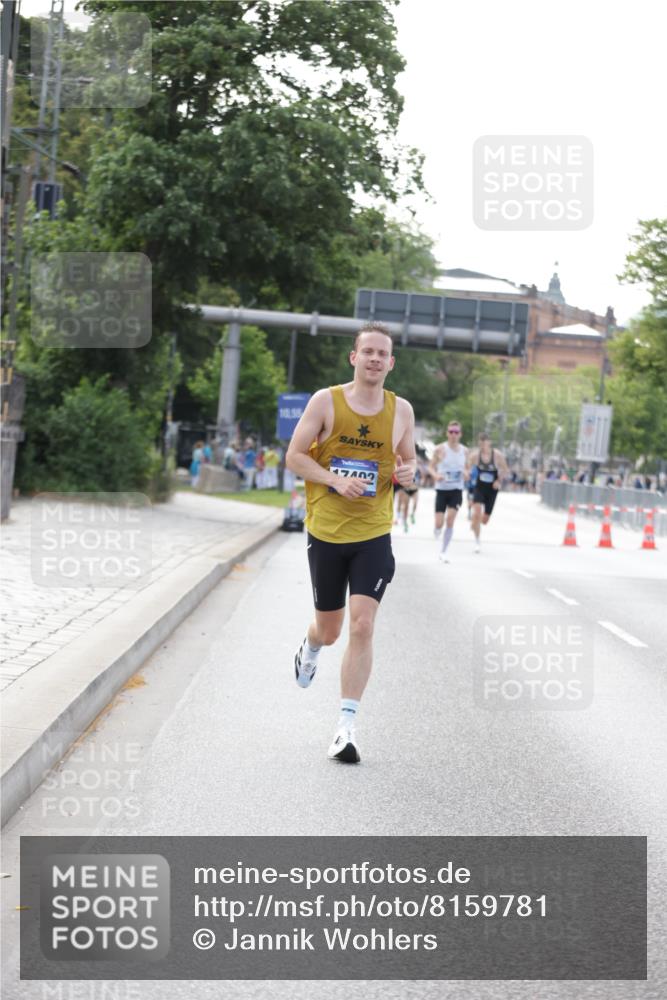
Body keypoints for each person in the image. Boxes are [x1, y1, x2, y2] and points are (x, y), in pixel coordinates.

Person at [285, 322, 416, 764]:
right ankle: (312, 646)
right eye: (369, 352)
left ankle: (345, 728)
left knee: (362, 625)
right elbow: (295, 456)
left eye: (384, 354)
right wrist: (334, 480)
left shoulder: (401, 411)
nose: (376, 359)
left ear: (391, 363)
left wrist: (410, 474)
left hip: (374, 532)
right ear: (354, 358)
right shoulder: (327, 401)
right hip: (326, 530)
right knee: (331, 627)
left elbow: (409, 461)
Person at [429, 420, 467, 562]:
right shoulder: (440, 449)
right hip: (442, 490)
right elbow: (430, 467)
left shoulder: (465, 451)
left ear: (460, 434)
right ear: (447, 433)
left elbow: (468, 469)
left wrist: (467, 473)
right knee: (439, 523)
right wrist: (435, 475)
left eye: (456, 432)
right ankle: (437, 529)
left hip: (456, 490)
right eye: (451, 432)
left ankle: (443, 551)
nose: (453, 435)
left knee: (450, 520)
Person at [465, 432, 509, 553]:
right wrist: (467, 474)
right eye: (481, 441)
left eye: (486, 441)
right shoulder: (475, 456)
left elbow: (505, 470)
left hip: (492, 490)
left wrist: (499, 480)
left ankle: (475, 522)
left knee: (484, 520)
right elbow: (466, 468)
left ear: (490, 442)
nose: (483, 444)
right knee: (477, 512)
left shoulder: (497, 455)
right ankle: (477, 542)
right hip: (479, 487)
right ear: (479, 443)